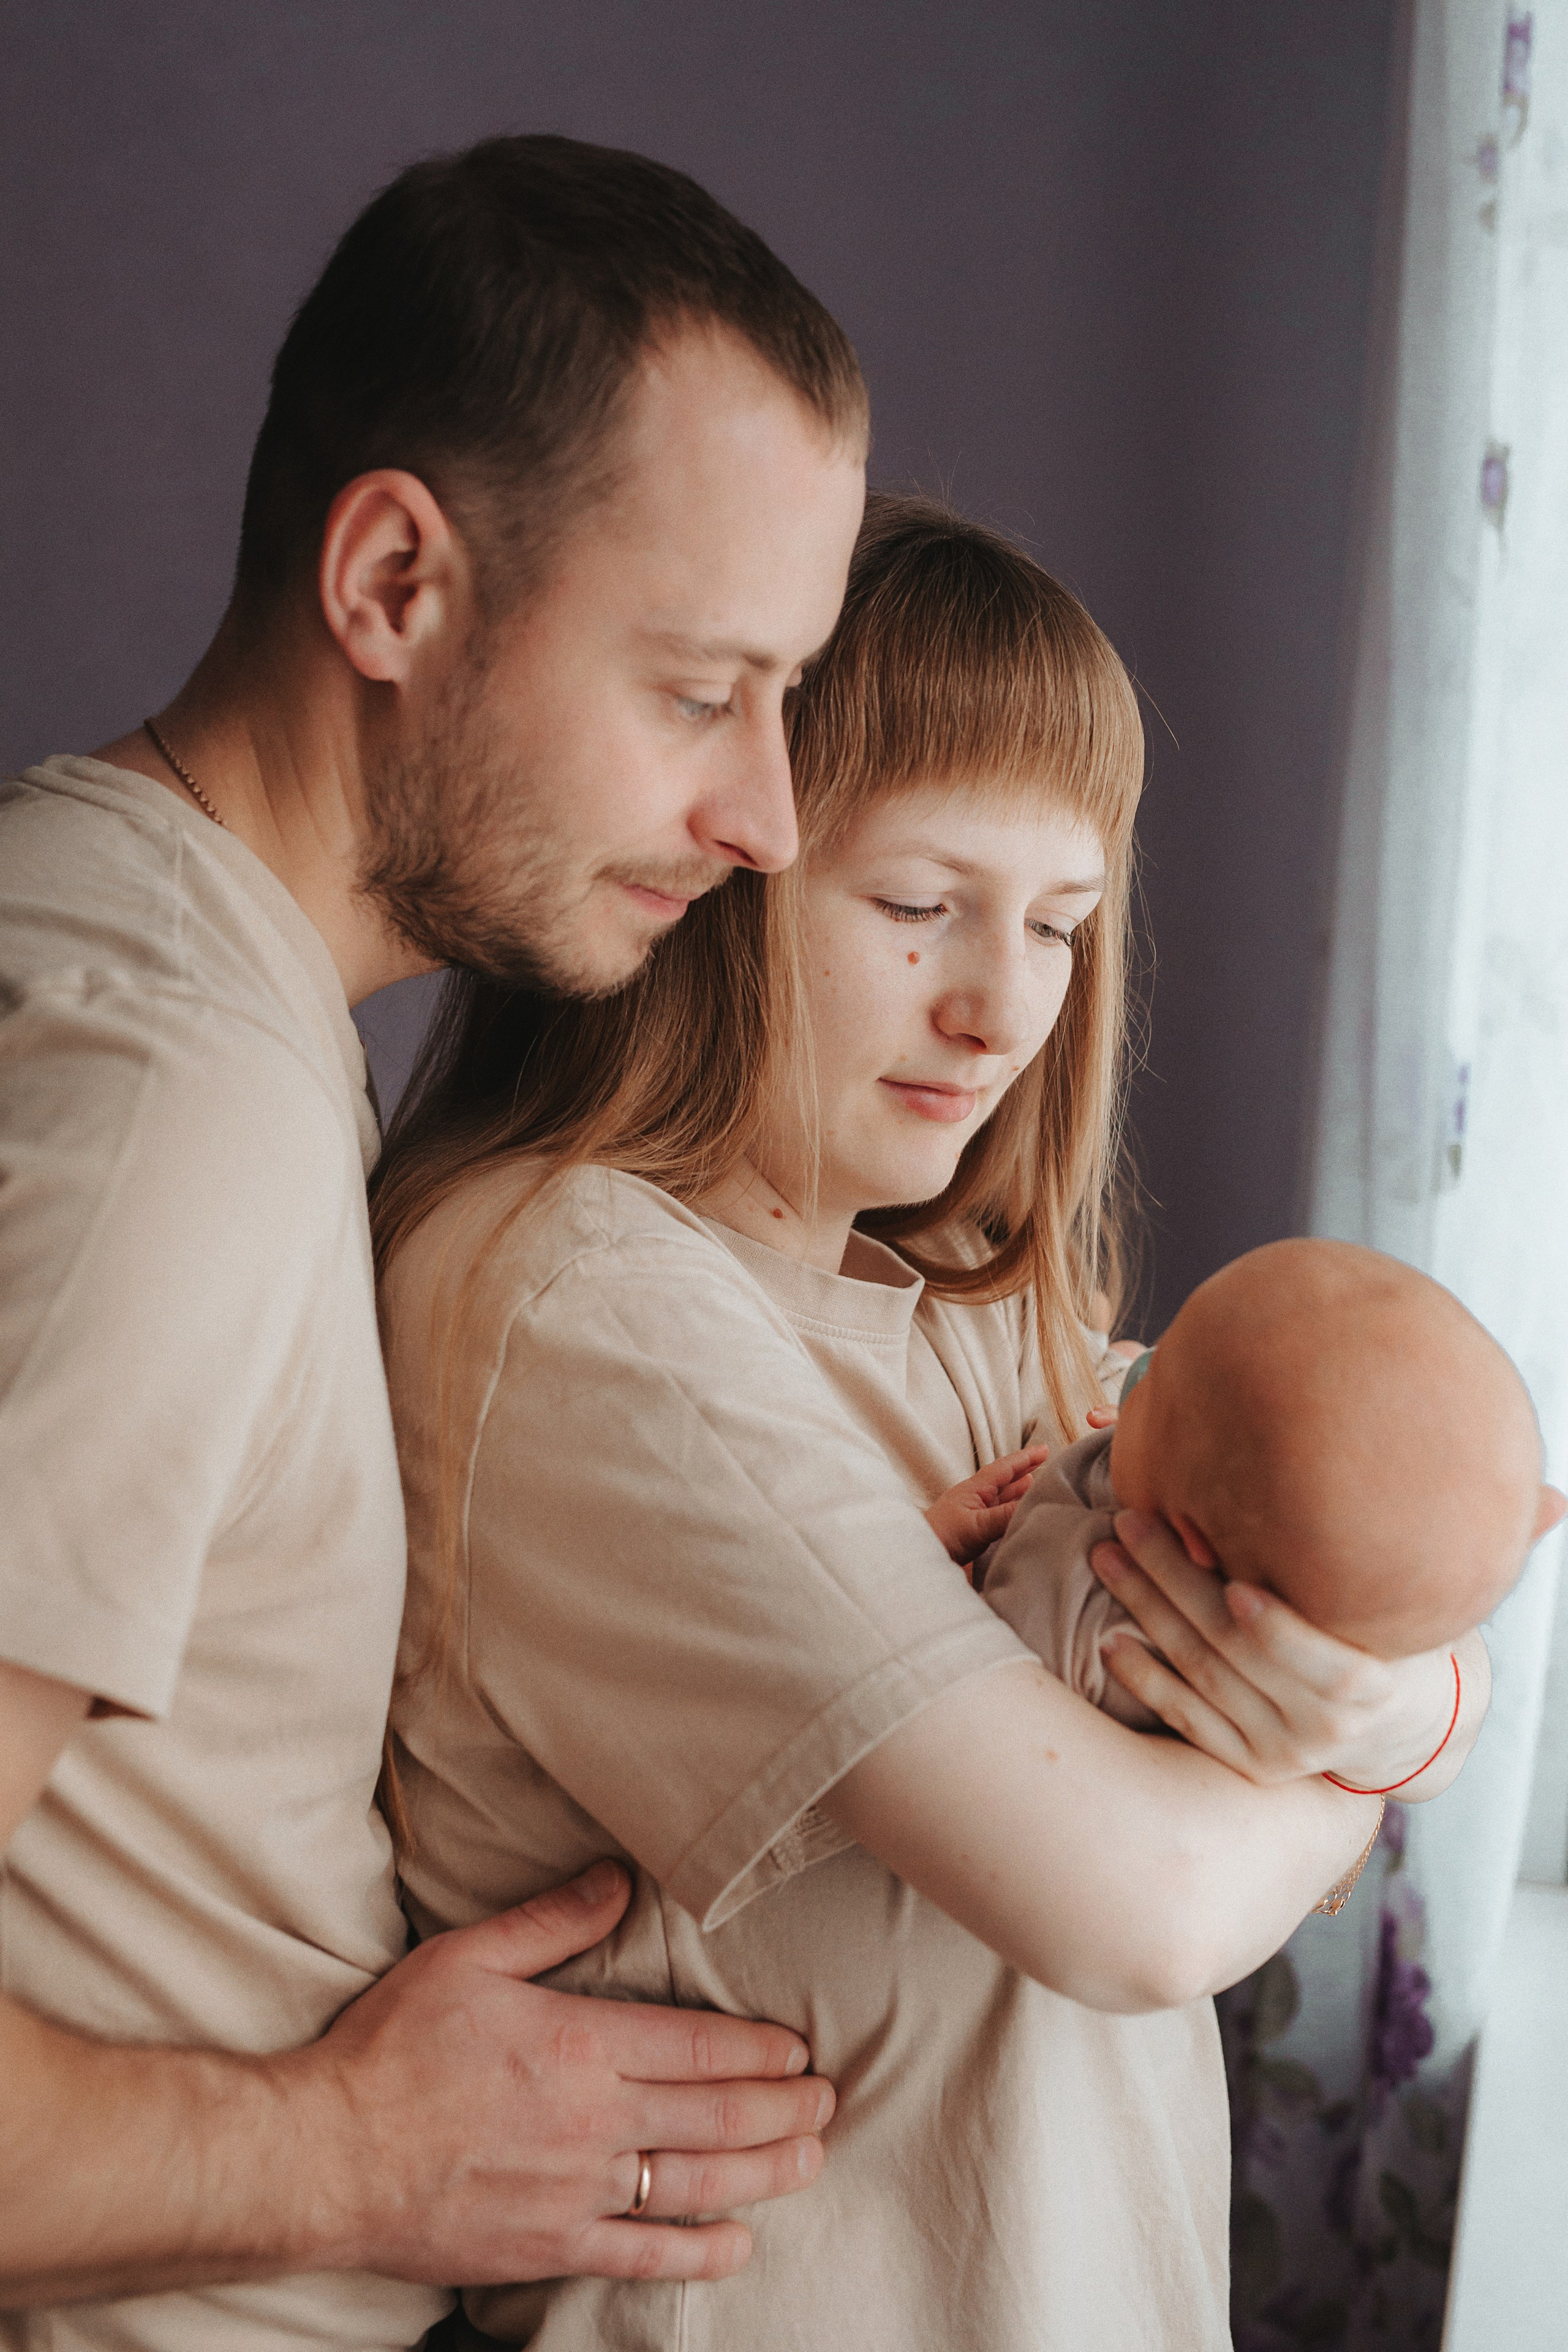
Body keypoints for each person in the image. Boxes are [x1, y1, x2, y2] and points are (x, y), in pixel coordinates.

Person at [372, 497, 1483, 2351]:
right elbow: (1133, 1914)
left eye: (1057, 923)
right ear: (705, 866)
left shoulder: (970, 1314)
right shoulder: (572, 1303)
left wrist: (1371, 1709)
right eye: (914, 906)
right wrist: (1334, 1770)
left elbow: (1386, 1574)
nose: (997, 1008)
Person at [0, 135, 869, 2351]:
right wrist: (360, 2159)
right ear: (391, 584)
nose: (765, 820)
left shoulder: (116, 943)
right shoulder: (169, 1107)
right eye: (696, 693)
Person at [980, 1237, 1564, 1741]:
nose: (1141, 1360)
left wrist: (955, 1551)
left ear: (1186, 1540)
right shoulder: (1317, 1600)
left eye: (1157, 1377)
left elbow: (970, 1664)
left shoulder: (1085, 1604)